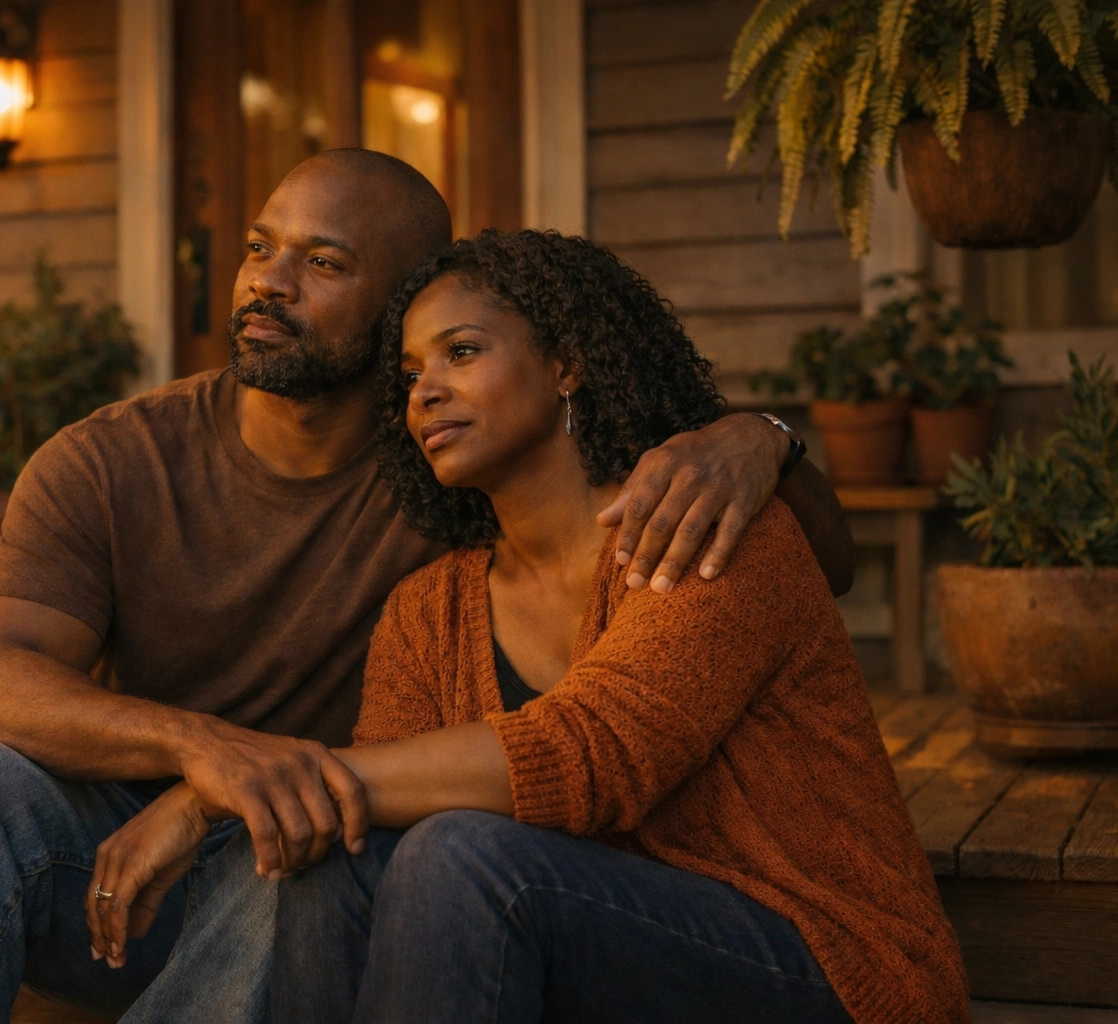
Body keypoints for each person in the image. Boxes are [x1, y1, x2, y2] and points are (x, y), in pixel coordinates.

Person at [0, 152, 856, 1023]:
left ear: (406, 296)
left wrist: (758, 439)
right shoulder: (110, 460)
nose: (267, 283)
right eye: (258, 248)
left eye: (323, 263)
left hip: (313, 872)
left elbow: (807, 565)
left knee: (308, 847)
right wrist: (204, 751)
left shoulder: (455, 473)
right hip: (120, 867)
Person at [90, 230, 968, 1023]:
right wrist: (262, 790)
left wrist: (216, 786)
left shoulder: (708, 527)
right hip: (577, 948)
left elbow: (597, 753)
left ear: (566, 364)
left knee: (462, 858)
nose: (426, 392)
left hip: (819, 960)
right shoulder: (429, 610)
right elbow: (374, 819)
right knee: (343, 854)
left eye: (461, 353)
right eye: (408, 377)